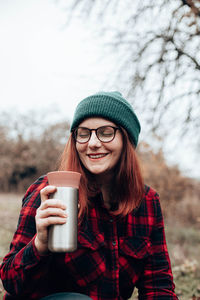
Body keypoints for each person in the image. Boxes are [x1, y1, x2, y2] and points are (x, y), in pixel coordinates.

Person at [0, 91, 178, 300]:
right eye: (83, 133)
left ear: (126, 139)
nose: (92, 143)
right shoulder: (50, 190)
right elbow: (12, 283)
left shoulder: (147, 201)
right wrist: (39, 244)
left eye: (105, 132)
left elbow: (158, 285)